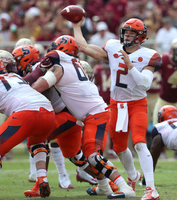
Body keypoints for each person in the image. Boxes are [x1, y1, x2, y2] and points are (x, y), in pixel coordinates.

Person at [31, 35, 136, 198]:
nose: (52, 50)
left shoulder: (61, 67)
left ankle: (124, 187)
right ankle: (103, 186)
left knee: (93, 155)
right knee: (87, 154)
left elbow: (39, 86)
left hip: (95, 114)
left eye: (55, 47)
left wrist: (21, 87)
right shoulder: (73, 64)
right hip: (90, 114)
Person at [72, 17, 161, 200]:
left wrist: (130, 65)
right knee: (119, 147)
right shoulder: (113, 46)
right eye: (126, 32)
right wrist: (76, 26)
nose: (127, 36)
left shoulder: (149, 55)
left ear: (141, 36)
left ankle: (151, 190)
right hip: (117, 105)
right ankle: (133, 177)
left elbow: (145, 84)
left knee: (139, 142)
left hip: (136, 104)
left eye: (131, 33)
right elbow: (84, 47)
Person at [11, 45, 99, 196]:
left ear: (26, 59)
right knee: (76, 156)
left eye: (17, 61)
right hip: (69, 115)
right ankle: (110, 182)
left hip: (67, 114)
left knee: (37, 139)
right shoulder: (42, 68)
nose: (15, 66)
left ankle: (41, 182)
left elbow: (36, 92)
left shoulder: (39, 71)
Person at [0, 57, 55, 199]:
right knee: (37, 143)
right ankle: (42, 180)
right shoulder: (15, 77)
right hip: (48, 111)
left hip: (26, 113)